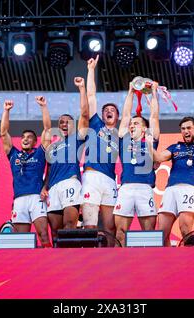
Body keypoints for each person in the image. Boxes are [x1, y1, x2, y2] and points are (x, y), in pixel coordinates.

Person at [113, 81, 161, 247]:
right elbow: (126, 115)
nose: (132, 125)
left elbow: (154, 116)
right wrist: (130, 92)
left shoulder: (150, 139)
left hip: (145, 188)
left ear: (145, 128)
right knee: (120, 233)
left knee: (149, 234)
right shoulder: (124, 138)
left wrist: (154, 92)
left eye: (136, 123)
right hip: (125, 188)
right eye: (131, 124)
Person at [40, 77, 89, 241]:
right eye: (61, 122)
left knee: (69, 226)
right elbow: (46, 129)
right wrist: (44, 107)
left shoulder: (76, 138)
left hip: (70, 182)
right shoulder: (52, 146)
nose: (63, 124)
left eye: (67, 121)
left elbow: (84, 113)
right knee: (55, 232)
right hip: (53, 188)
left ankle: (71, 262)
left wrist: (82, 88)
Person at [152, 116, 194, 246]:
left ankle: (188, 262)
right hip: (170, 189)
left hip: (189, 188)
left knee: (185, 230)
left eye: (189, 128)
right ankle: (167, 263)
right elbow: (159, 157)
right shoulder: (175, 147)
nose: (185, 131)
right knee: (161, 234)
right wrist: (148, 144)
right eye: (183, 129)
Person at [0, 98, 51, 247]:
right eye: (23, 137)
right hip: (19, 200)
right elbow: (3, 133)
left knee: (43, 235)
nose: (25, 139)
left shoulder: (40, 153)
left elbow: (48, 130)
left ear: (35, 142)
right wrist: (6, 110)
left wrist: (43, 107)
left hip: (36, 198)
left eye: (29, 137)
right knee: (22, 240)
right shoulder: (13, 154)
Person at [80, 55, 120, 246]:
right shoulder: (95, 124)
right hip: (92, 176)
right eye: (106, 110)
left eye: (112, 110)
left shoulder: (121, 135)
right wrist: (91, 70)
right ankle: (89, 256)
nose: (108, 111)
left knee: (110, 226)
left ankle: (110, 256)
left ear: (117, 116)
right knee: (89, 224)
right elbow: (91, 97)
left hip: (110, 180)